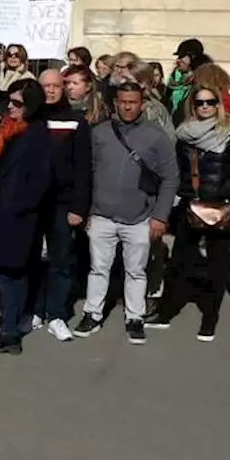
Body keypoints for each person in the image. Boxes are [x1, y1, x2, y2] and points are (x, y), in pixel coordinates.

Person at [74, 83, 179, 344]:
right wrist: (85, 209)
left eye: (133, 102)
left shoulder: (156, 136)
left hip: (140, 217)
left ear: (141, 103)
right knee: (98, 269)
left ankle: (135, 317)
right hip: (101, 215)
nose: (128, 106)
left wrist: (160, 216)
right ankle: (92, 313)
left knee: (136, 271)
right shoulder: (100, 133)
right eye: (123, 101)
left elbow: (170, 178)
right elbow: (86, 172)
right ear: (115, 103)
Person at [147, 87, 230, 342]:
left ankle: (209, 320)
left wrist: (220, 193)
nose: (205, 106)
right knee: (180, 261)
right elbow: (177, 169)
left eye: (210, 102)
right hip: (189, 205)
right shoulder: (185, 133)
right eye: (200, 102)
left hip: (219, 208)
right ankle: (165, 312)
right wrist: (183, 193)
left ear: (218, 105)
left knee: (217, 265)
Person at [0, 79, 52, 355]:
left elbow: (40, 180)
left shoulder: (37, 134)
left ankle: (10, 332)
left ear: (30, 106)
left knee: (8, 272)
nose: (10, 106)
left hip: (17, 217)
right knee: (6, 272)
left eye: (17, 103)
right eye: (9, 100)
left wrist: (17, 206)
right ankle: (12, 325)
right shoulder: (7, 129)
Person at [27, 70, 91, 342]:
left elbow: (83, 168)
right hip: (31, 203)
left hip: (63, 203)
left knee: (60, 260)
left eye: (57, 86)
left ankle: (57, 314)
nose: (51, 91)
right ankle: (36, 309)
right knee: (30, 259)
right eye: (46, 86)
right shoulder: (28, 119)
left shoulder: (76, 121)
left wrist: (79, 207)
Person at [167, 38, 211, 113]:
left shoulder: (203, 82)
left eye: (181, 56)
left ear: (193, 57)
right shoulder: (174, 78)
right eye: (178, 57)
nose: (178, 60)